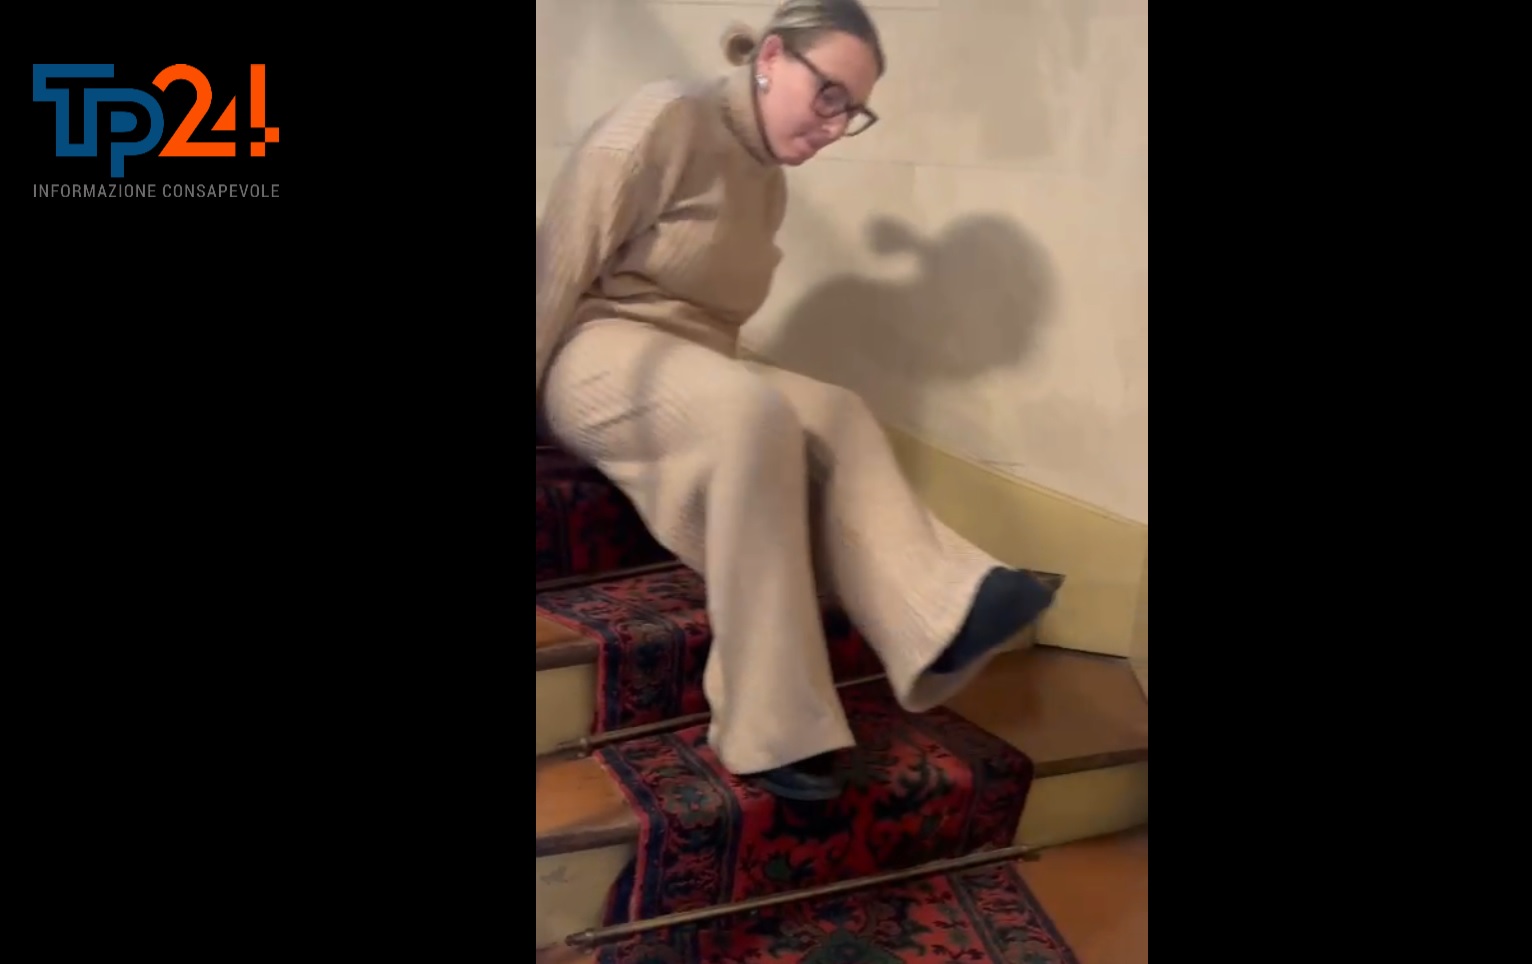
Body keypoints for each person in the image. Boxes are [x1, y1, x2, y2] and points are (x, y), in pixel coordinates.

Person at [535, 0, 1056, 801]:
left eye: (854, 112)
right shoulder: (662, 120)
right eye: (829, 95)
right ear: (772, 57)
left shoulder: (768, 180)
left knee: (838, 410)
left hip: (694, 361)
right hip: (597, 348)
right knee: (751, 415)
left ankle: (942, 614)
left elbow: (712, 328)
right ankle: (771, 725)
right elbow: (558, 263)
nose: (834, 126)